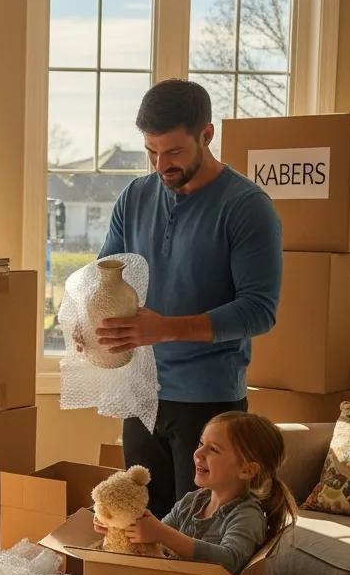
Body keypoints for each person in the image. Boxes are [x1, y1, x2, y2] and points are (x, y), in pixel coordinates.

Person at [94, 79, 283, 518]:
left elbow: (260, 309)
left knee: (196, 538)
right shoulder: (135, 196)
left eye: (175, 152)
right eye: (151, 151)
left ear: (207, 135)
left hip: (209, 401)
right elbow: (105, 276)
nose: (162, 165)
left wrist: (164, 329)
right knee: (138, 527)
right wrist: (91, 324)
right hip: (141, 395)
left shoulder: (247, 207)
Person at [106, 412, 296, 575]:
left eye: (213, 449)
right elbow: (157, 541)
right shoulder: (192, 501)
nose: (198, 453)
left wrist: (163, 534)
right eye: (201, 443)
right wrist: (120, 526)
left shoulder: (247, 515)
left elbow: (229, 562)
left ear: (246, 470)